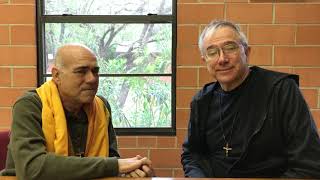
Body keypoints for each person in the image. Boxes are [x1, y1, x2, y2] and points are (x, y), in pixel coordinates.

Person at [181, 20, 320, 178]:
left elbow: (309, 165)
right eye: (212, 52)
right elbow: (192, 155)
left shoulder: (282, 91)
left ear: (246, 52)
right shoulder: (202, 101)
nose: (222, 59)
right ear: (205, 60)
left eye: (230, 48)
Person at [0, 44, 153, 179]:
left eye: (95, 71)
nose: (92, 79)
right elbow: (32, 168)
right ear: (56, 75)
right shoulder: (30, 105)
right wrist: (116, 166)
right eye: (81, 71)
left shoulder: (101, 106)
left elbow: (111, 159)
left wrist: (131, 170)